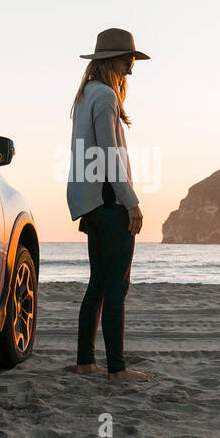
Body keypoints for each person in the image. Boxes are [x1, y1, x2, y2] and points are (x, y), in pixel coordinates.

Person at [67, 28, 155, 383]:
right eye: (127, 59)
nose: (131, 67)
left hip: (92, 203)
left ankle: (86, 361)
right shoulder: (104, 96)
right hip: (109, 202)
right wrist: (130, 202)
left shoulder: (87, 95)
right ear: (109, 60)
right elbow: (108, 155)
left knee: (99, 284)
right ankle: (118, 369)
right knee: (116, 286)